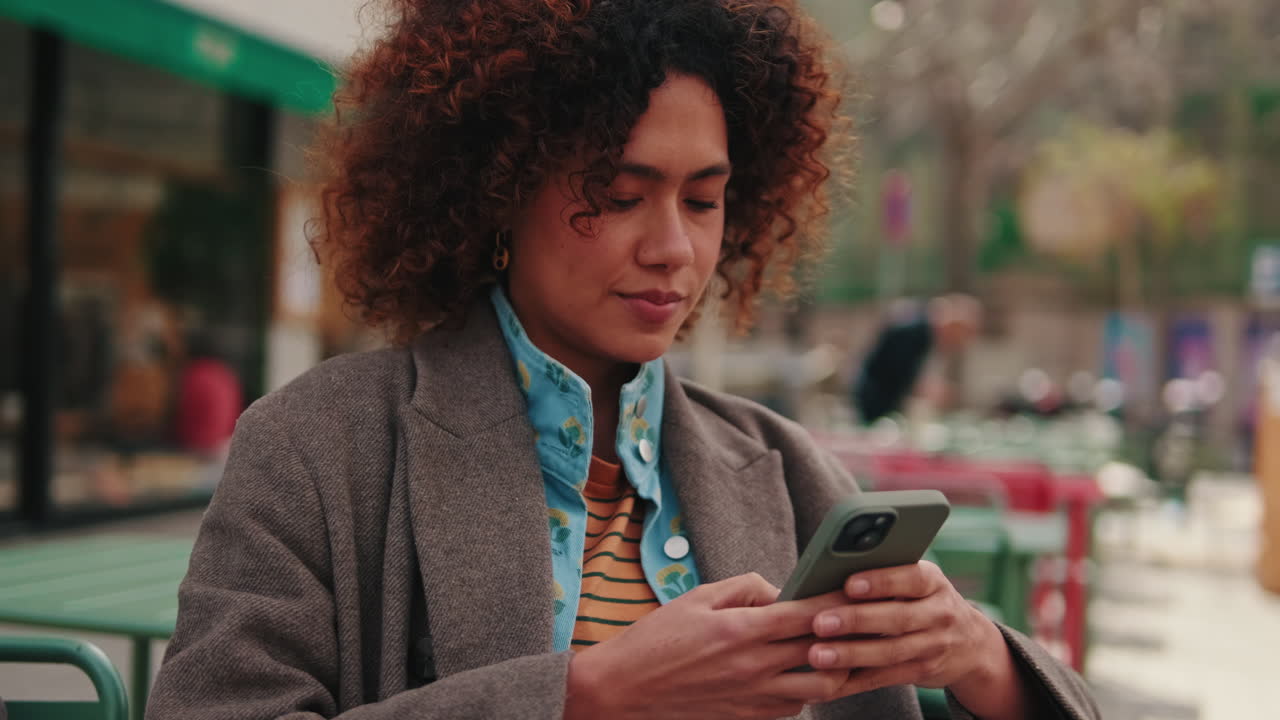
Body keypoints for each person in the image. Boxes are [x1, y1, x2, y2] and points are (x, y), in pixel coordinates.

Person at [147, 2, 1097, 719]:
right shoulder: (320, 447)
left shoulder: (788, 468)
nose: (673, 249)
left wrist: (980, 659)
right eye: (618, 191)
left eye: (702, 199)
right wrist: (584, 695)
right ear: (497, 190)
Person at [852, 295, 981, 426]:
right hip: (875, 396)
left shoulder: (922, 329)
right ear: (954, 324)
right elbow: (898, 372)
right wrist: (928, 388)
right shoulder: (916, 332)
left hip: (879, 394)